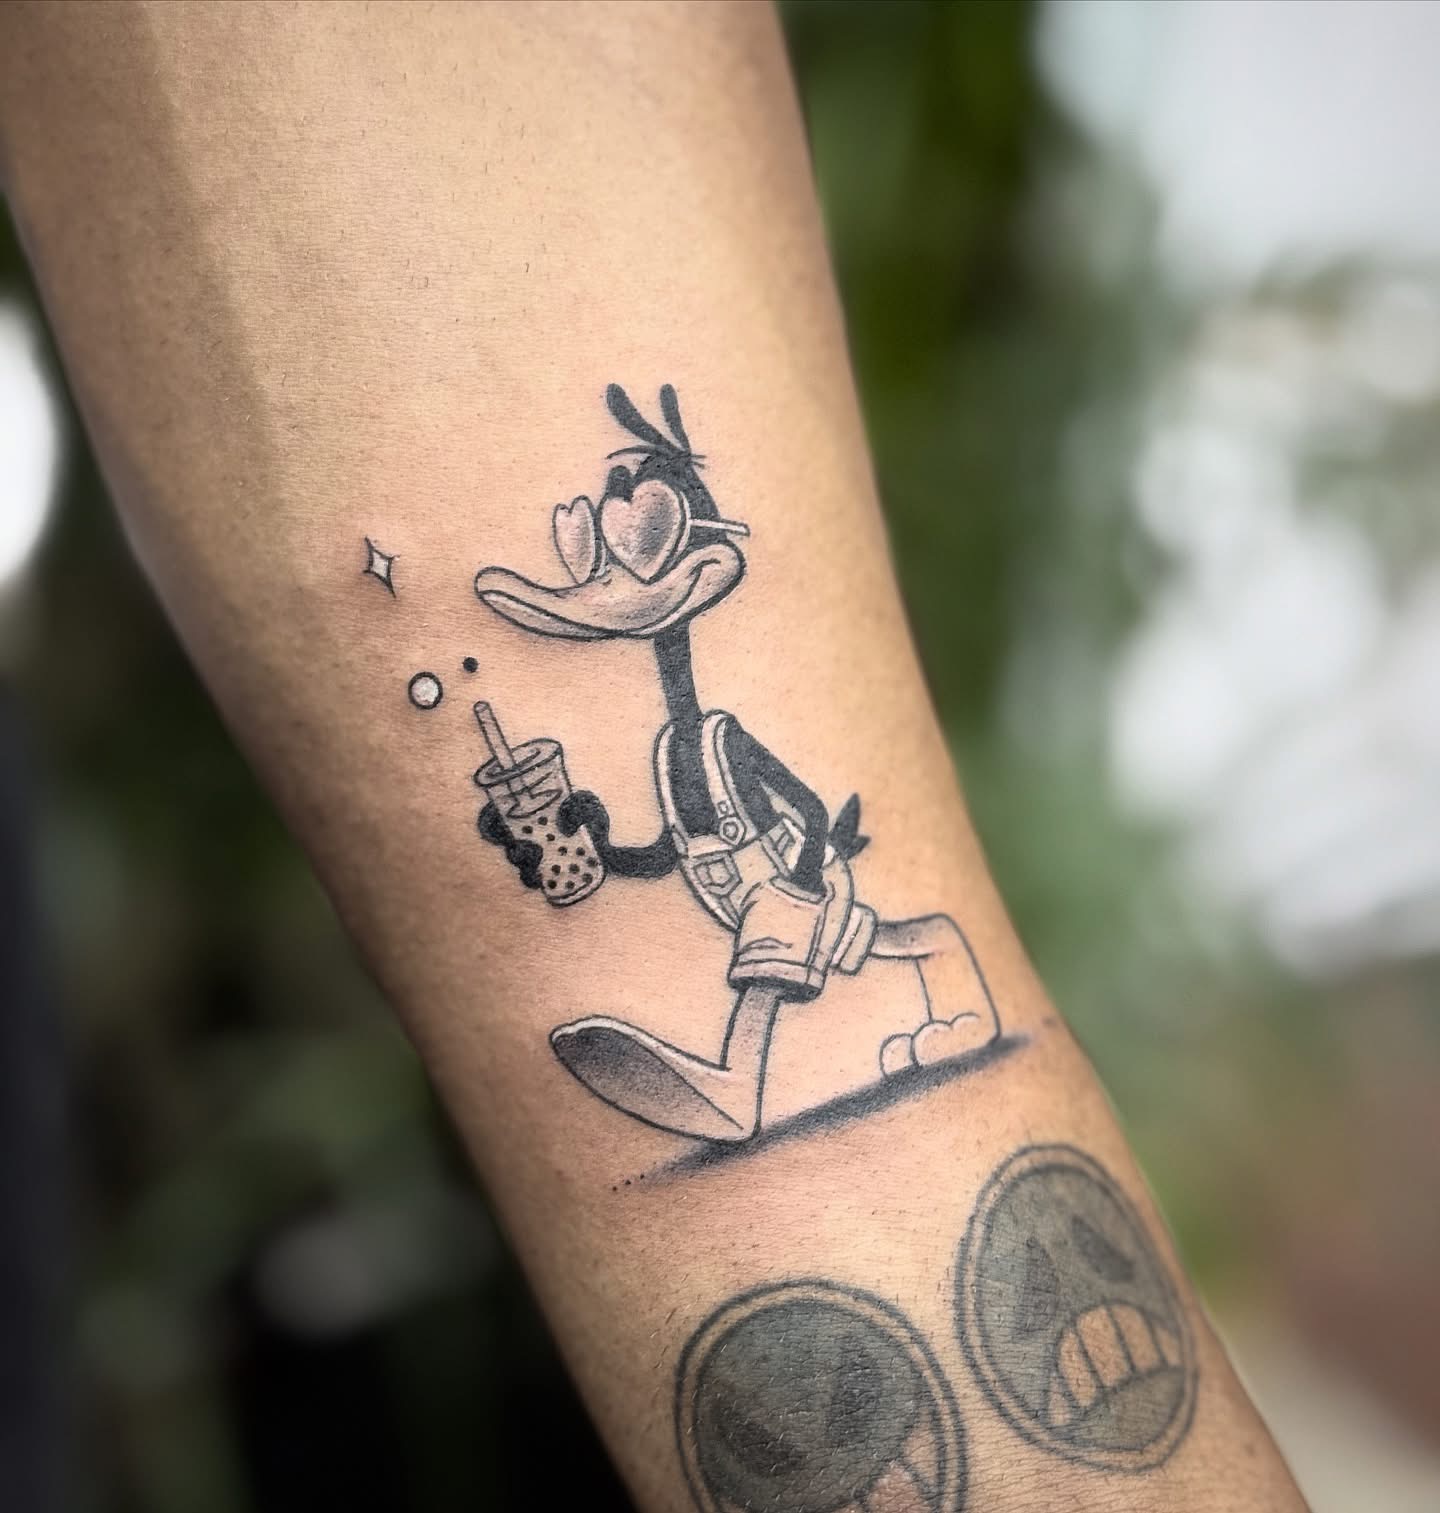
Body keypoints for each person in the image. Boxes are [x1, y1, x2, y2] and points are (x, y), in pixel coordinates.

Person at [0, 5, 1309, 1510]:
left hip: (789, 893)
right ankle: (786, 1059)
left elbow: (787, 799)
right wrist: (559, 842)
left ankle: (784, 1070)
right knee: (863, 958)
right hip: (745, 903)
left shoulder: (715, 731)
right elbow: (639, 852)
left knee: (852, 955)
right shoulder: (674, 749)